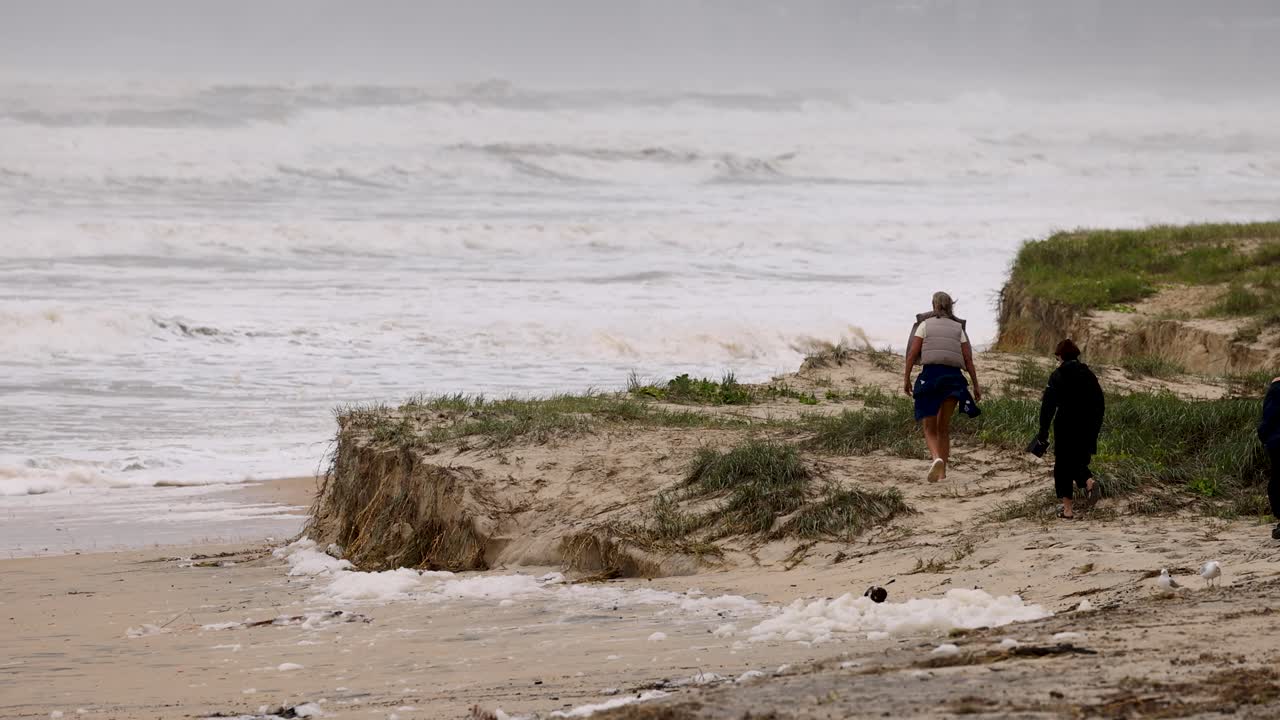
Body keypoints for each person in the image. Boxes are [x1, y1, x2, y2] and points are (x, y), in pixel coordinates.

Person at [903, 291, 981, 482]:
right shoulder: (958, 328)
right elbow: (968, 359)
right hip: (954, 380)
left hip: (930, 378)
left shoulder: (924, 325)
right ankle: (943, 472)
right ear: (950, 306)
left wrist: (906, 379)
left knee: (929, 428)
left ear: (934, 305)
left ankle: (936, 458)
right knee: (943, 428)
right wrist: (976, 385)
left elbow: (912, 354)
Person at [1033, 339, 1105, 519]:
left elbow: (1048, 407)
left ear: (1060, 356)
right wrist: (1095, 426)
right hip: (1088, 424)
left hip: (1066, 423)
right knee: (1078, 461)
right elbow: (1100, 402)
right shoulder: (1089, 374)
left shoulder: (1058, 375)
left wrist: (1043, 432)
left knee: (1063, 465)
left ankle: (1068, 510)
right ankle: (1088, 482)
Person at [1259, 376, 1280, 540]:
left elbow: (1268, 418)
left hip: (1277, 443)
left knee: (1277, 483)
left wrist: (1264, 436)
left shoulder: (1275, 390)